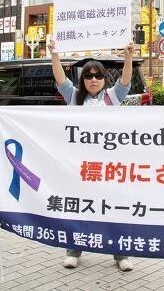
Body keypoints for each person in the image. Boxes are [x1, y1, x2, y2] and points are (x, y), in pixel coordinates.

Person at [48, 39, 135, 272]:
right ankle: (73, 251)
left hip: (109, 166)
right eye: (88, 76)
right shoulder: (74, 96)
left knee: (114, 208)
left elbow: (125, 81)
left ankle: (121, 254)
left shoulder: (112, 97)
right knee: (79, 207)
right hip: (81, 167)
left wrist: (128, 57)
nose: (93, 80)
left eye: (98, 76)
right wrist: (54, 55)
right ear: (82, 79)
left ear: (104, 78)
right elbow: (60, 79)